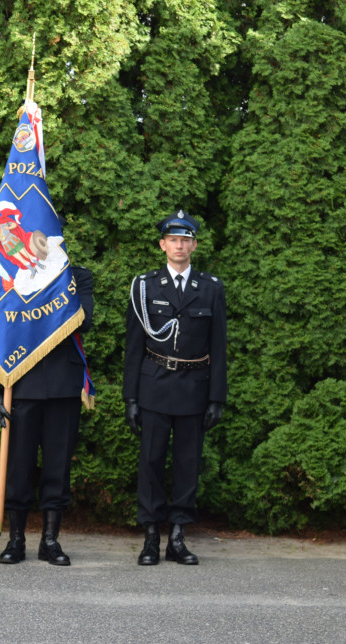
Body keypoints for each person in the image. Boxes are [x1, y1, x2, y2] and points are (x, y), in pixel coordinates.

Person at [122, 210, 226, 566]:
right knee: (150, 462)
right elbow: (134, 346)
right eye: (173, 240)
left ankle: (178, 536)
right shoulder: (145, 286)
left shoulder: (210, 288)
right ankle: (151, 536)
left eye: (186, 240)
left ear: (194, 245)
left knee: (187, 463)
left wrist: (216, 397)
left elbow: (219, 347)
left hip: (194, 388)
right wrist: (131, 397)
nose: (179, 245)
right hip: (154, 386)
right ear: (162, 244)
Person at [0, 265, 94, 566]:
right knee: (18, 468)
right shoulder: (12, 278)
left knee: (57, 468)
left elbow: (85, 321)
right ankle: (16, 539)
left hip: (62, 387)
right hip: (20, 385)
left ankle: (50, 540)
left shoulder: (77, 276)